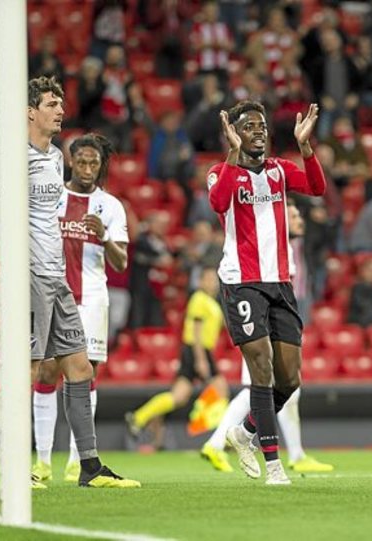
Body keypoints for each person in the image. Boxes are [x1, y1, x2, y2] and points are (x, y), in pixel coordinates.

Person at [206, 100, 326, 485]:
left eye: (262, 126)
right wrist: (232, 154)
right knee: (261, 367)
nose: (258, 131)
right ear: (234, 133)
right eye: (249, 126)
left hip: (280, 281)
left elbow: (317, 187)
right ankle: (274, 466)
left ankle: (245, 431)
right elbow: (218, 202)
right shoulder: (220, 172)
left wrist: (305, 147)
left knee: (289, 380)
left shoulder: (279, 170)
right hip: (241, 281)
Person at [27, 76, 139, 488]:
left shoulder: (55, 159)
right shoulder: (13, 157)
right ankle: (26, 464)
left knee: (78, 368)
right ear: (30, 112)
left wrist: (102, 238)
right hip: (32, 277)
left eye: (61, 103)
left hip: (64, 283)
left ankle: (88, 467)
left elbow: (121, 259)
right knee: (34, 370)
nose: (61, 110)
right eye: (52, 104)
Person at [201, 203, 334, 474]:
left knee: (277, 387)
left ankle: (228, 440)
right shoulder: (267, 251)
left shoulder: (288, 250)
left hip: (275, 320)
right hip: (258, 319)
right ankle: (234, 445)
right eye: (293, 216)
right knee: (259, 388)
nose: (299, 220)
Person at [126, 268, 228, 436]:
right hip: (198, 349)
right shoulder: (199, 299)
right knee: (221, 389)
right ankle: (220, 435)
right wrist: (201, 359)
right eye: (208, 279)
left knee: (179, 396)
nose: (213, 283)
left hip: (197, 351)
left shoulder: (211, 302)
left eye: (214, 280)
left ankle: (139, 416)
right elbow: (196, 331)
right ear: (200, 282)